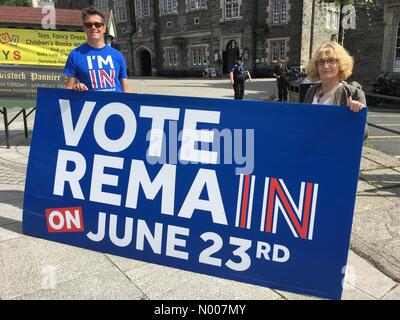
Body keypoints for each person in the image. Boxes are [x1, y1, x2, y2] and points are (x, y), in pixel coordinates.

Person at [304, 41, 368, 138]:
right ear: (316, 65)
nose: (325, 66)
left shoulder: (354, 93)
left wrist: (357, 114)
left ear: (340, 64)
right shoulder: (311, 91)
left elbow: (364, 134)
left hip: (336, 150)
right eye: (321, 61)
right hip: (312, 149)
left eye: (331, 61)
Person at [64, 6, 131, 93]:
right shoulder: (75, 55)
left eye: (97, 24)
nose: (93, 27)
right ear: (84, 28)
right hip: (89, 105)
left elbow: (125, 87)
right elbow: (69, 87)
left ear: (104, 28)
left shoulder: (117, 55)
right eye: (89, 25)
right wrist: (76, 87)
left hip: (115, 104)